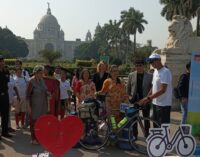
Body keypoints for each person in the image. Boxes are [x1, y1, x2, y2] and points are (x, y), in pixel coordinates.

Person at [139, 53, 172, 126]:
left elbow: (163, 89)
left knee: (163, 128)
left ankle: (165, 138)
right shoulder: (156, 71)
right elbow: (153, 86)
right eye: (150, 62)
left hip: (163, 104)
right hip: (155, 103)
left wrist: (148, 98)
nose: (151, 63)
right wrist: (147, 98)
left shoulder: (165, 71)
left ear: (159, 60)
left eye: (152, 61)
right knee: (156, 126)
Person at [127, 59, 152, 137]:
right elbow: (128, 88)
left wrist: (148, 98)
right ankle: (135, 135)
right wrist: (129, 97)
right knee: (134, 119)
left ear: (143, 66)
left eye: (140, 65)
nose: (138, 67)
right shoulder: (131, 75)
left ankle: (147, 134)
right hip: (134, 100)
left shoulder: (150, 76)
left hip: (145, 100)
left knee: (146, 118)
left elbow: (152, 88)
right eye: (136, 66)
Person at [26, 65, 48, 144]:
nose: (42, 74)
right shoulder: (31, 81)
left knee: (41, 122)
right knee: (34, 122)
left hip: (43, 104)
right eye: (40, 73)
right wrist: (28, 107)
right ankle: (33, 139)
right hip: (34, 105)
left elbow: (45, 90)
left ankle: (40, 137)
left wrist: (48, 93)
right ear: (35, 73)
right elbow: (27, 96)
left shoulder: (42, 80)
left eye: (42, 73)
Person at [0, 55, 13, 139]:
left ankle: (5, 132)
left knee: (5, 114)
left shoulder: (6, 71)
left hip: (5, 95)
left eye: (2, 61)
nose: (2, 63)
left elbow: (7, 82)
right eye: (0, 61)